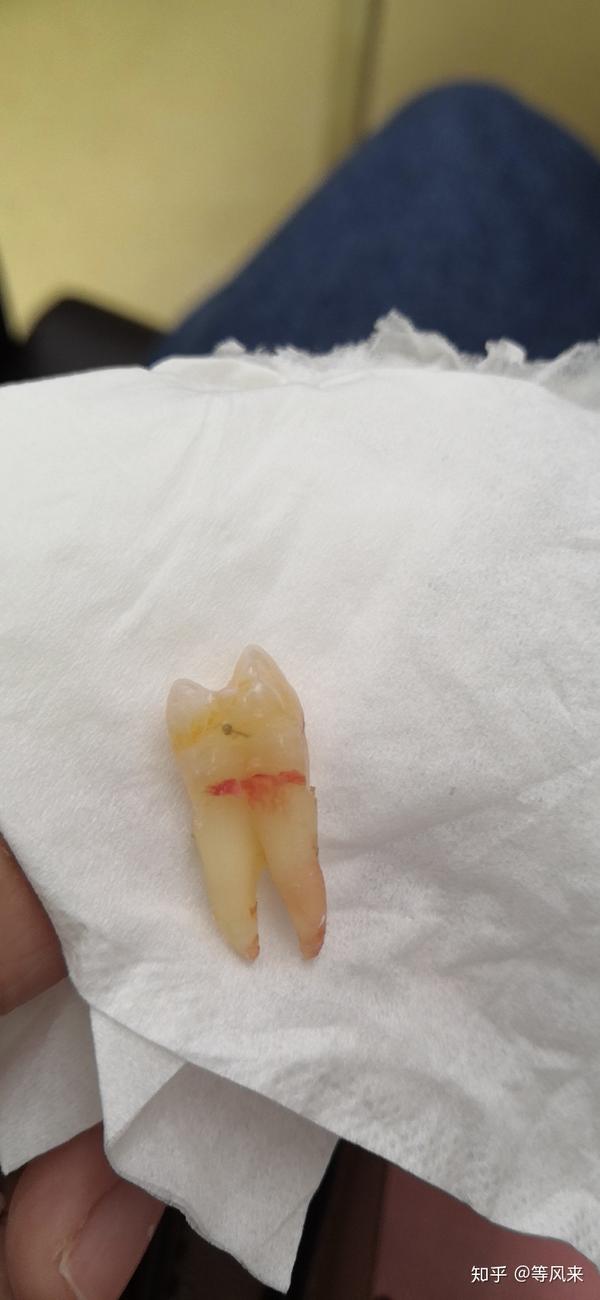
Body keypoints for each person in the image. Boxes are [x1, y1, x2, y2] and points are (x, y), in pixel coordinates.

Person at [2, 82, 599, 1300]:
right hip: (250, 793)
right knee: (479, 158)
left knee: (476, 157)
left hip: (262, 785)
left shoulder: (245, 709)